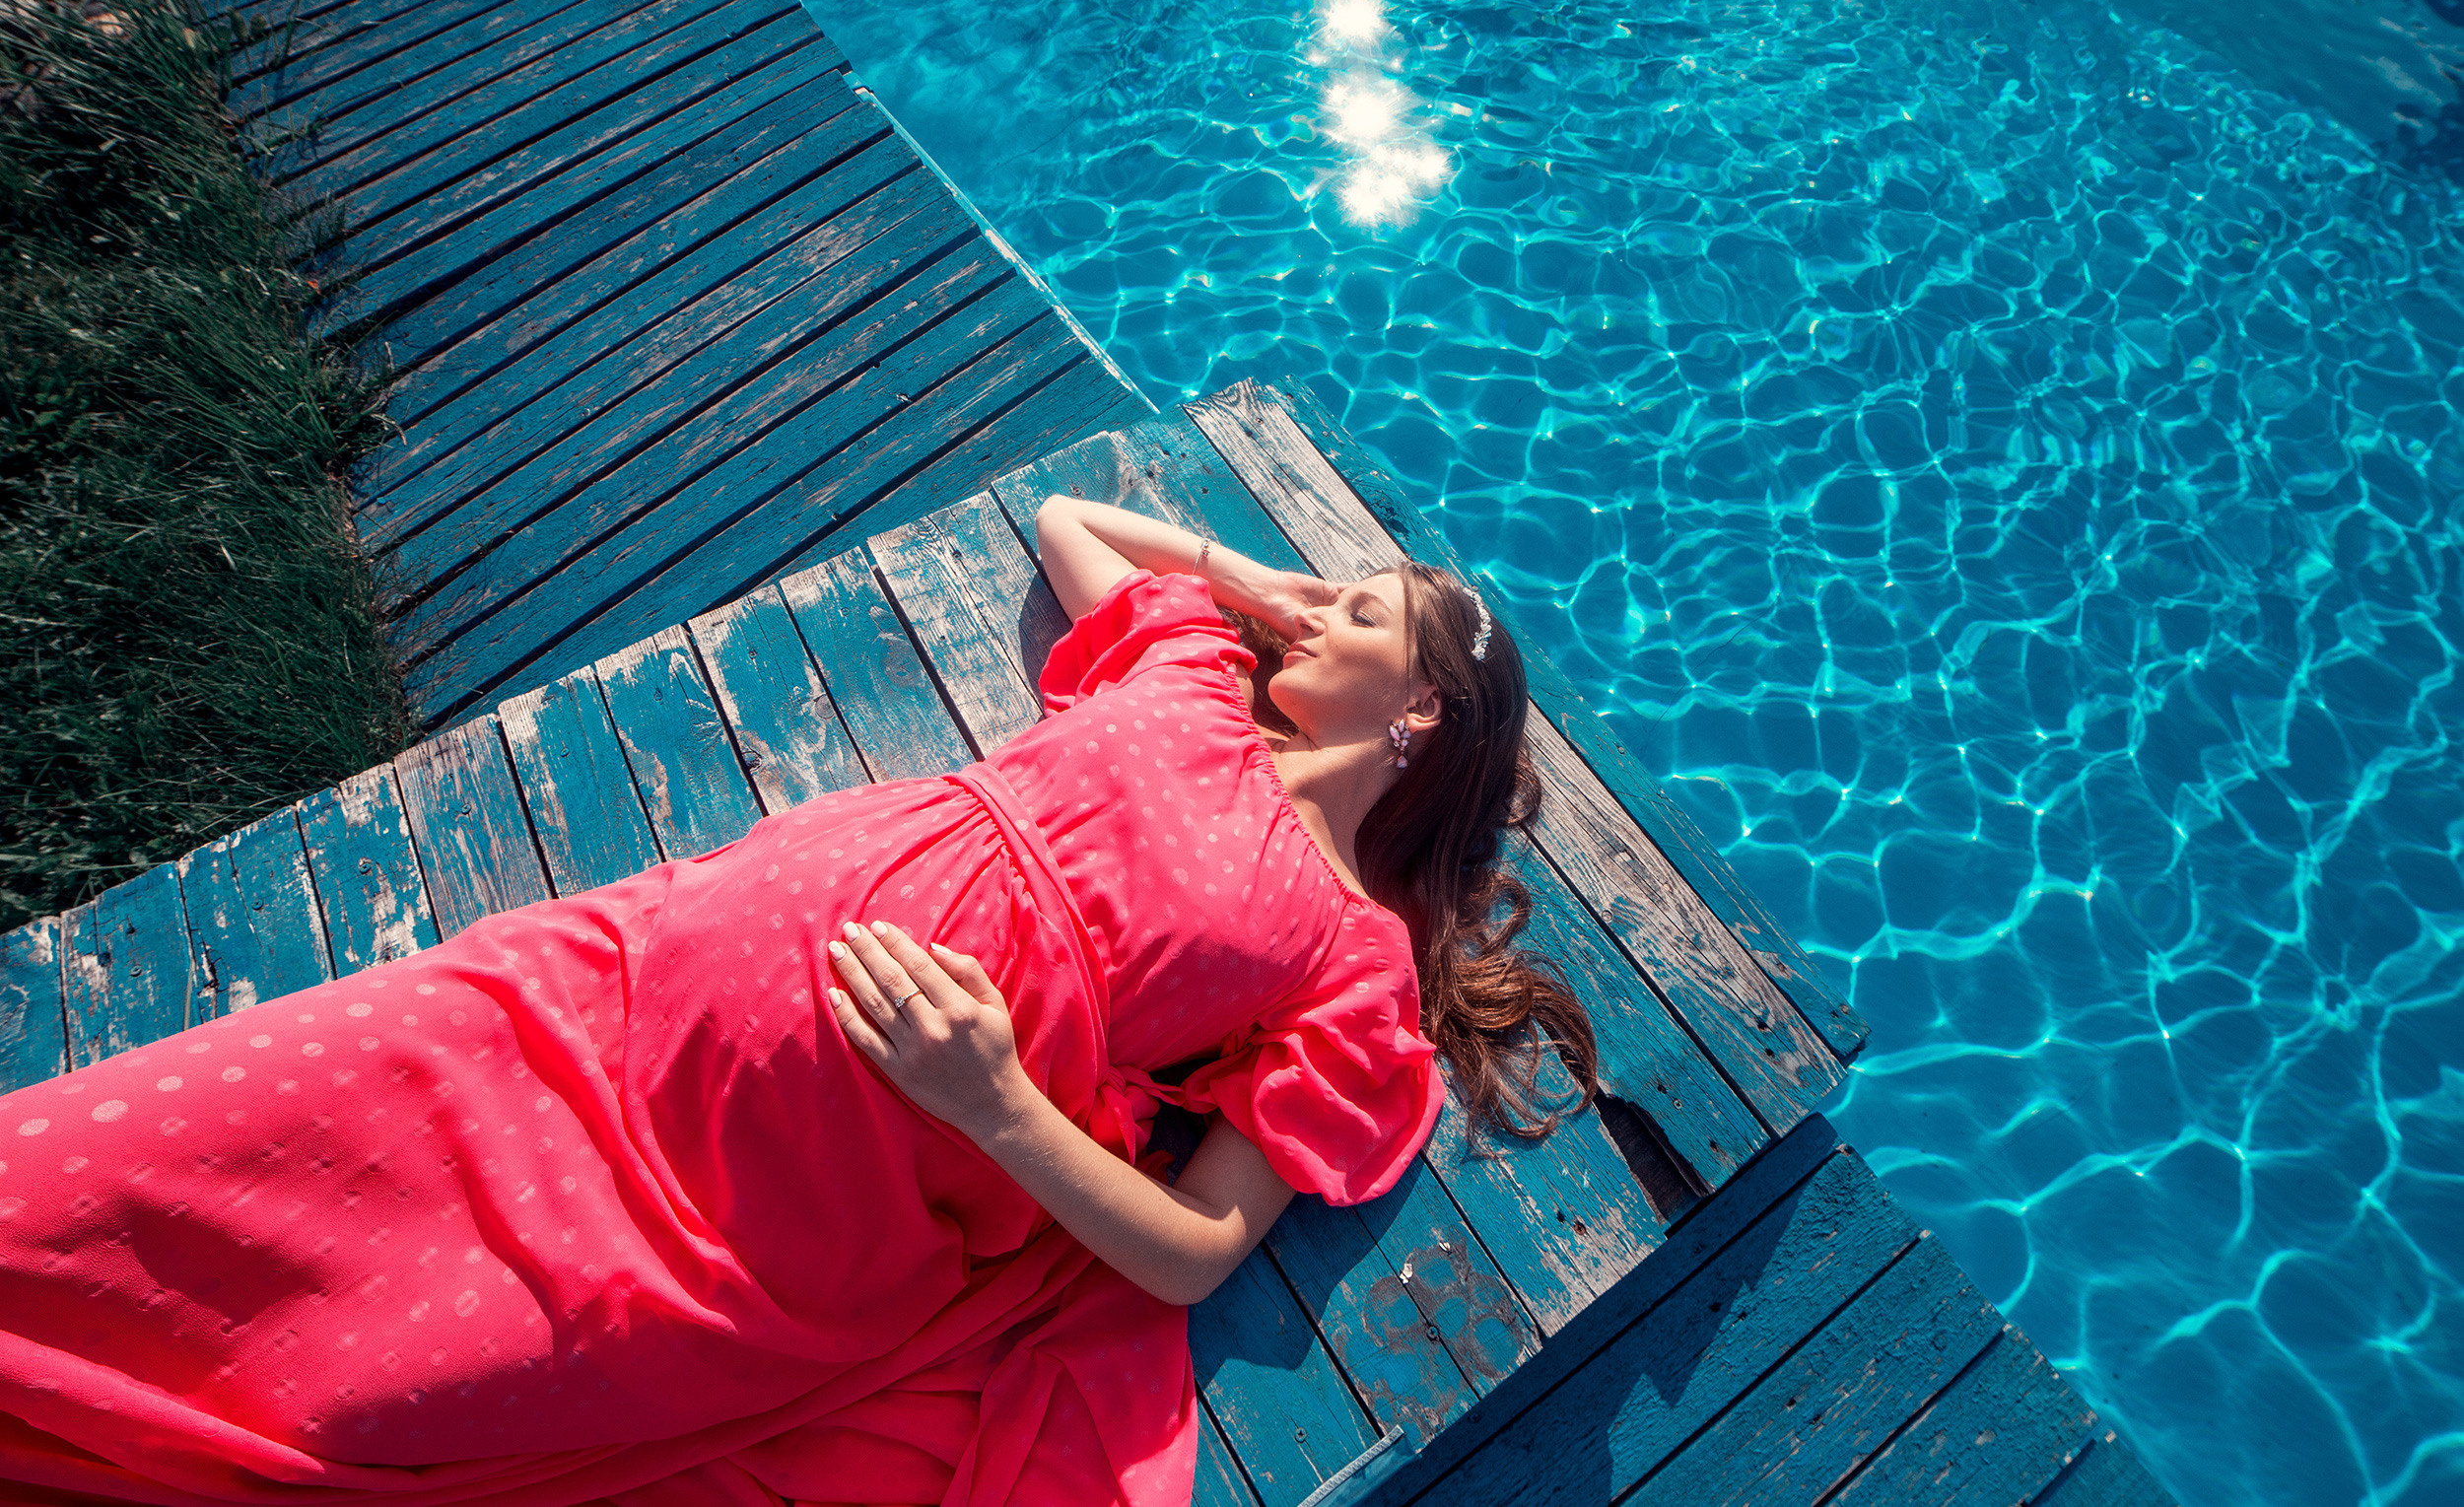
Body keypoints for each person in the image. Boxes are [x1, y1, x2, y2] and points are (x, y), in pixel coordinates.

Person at [0, 498, 1597, 1507]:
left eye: (1359, 613)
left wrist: (1001, 1104)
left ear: (1424, 715)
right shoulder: (1185, 675)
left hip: (826, 1160)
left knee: (375, 1391)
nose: (1314, 613)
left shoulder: (1350, 958)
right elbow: (1070, 522)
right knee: (226, 1115)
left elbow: (1193, 1251)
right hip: (658, 961)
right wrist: (1263, 579)